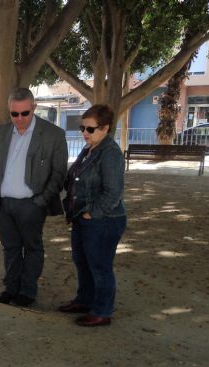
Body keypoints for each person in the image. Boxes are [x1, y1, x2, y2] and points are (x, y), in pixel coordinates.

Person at [0, 88, 67, 307]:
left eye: (25, 113)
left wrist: (42, 201)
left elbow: (59, 173)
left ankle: (27, 292)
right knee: (10, 249)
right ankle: (11, 289)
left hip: (31, 204)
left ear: (34, 108)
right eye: (14, 114)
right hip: (3, 204)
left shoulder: (53, 134)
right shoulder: (2, 132)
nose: (19, 118)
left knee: (33, 248)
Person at [59, 104, 126, 327]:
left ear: (105, 128)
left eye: (90, 129)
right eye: (82, 128)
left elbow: (113, 193)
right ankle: (85, 300)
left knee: (99, 265)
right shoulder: (90, 149)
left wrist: (91, 213)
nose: (85, 133)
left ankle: (102, 311)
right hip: (82, 217)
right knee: (82, 261)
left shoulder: (110, 153)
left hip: (104, 220)